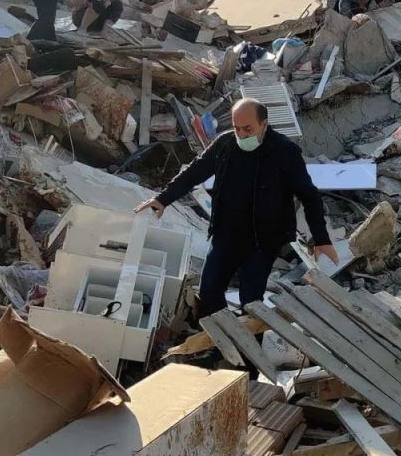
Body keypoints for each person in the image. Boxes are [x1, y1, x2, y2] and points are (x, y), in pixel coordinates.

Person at [134, 98, 339, 326]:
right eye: (236, 128)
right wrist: (162, 199)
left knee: (250, 300)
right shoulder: (225, 144)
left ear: (264, 124)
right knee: (209, 292)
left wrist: (322, 239)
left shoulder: (285, 152)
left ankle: (249, 356)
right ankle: (217, 343)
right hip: (226, 234)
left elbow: (309, 196)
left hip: (262, 241)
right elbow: (195, 172)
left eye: (248, 129)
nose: (241, 134)